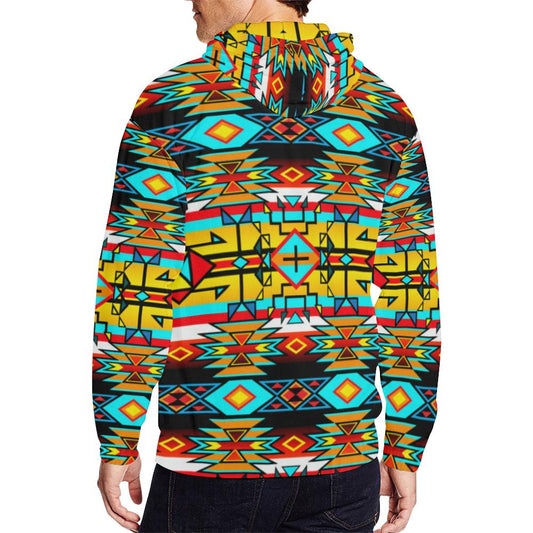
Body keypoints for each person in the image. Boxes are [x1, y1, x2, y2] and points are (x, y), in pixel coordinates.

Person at [92, 1, 442, 532]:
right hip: (344, 458)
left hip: (210, 457)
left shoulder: (173, 104)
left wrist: (118, 437)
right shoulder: (384, 111)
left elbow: (135, 285)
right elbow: (412, 294)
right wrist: (404, 446)